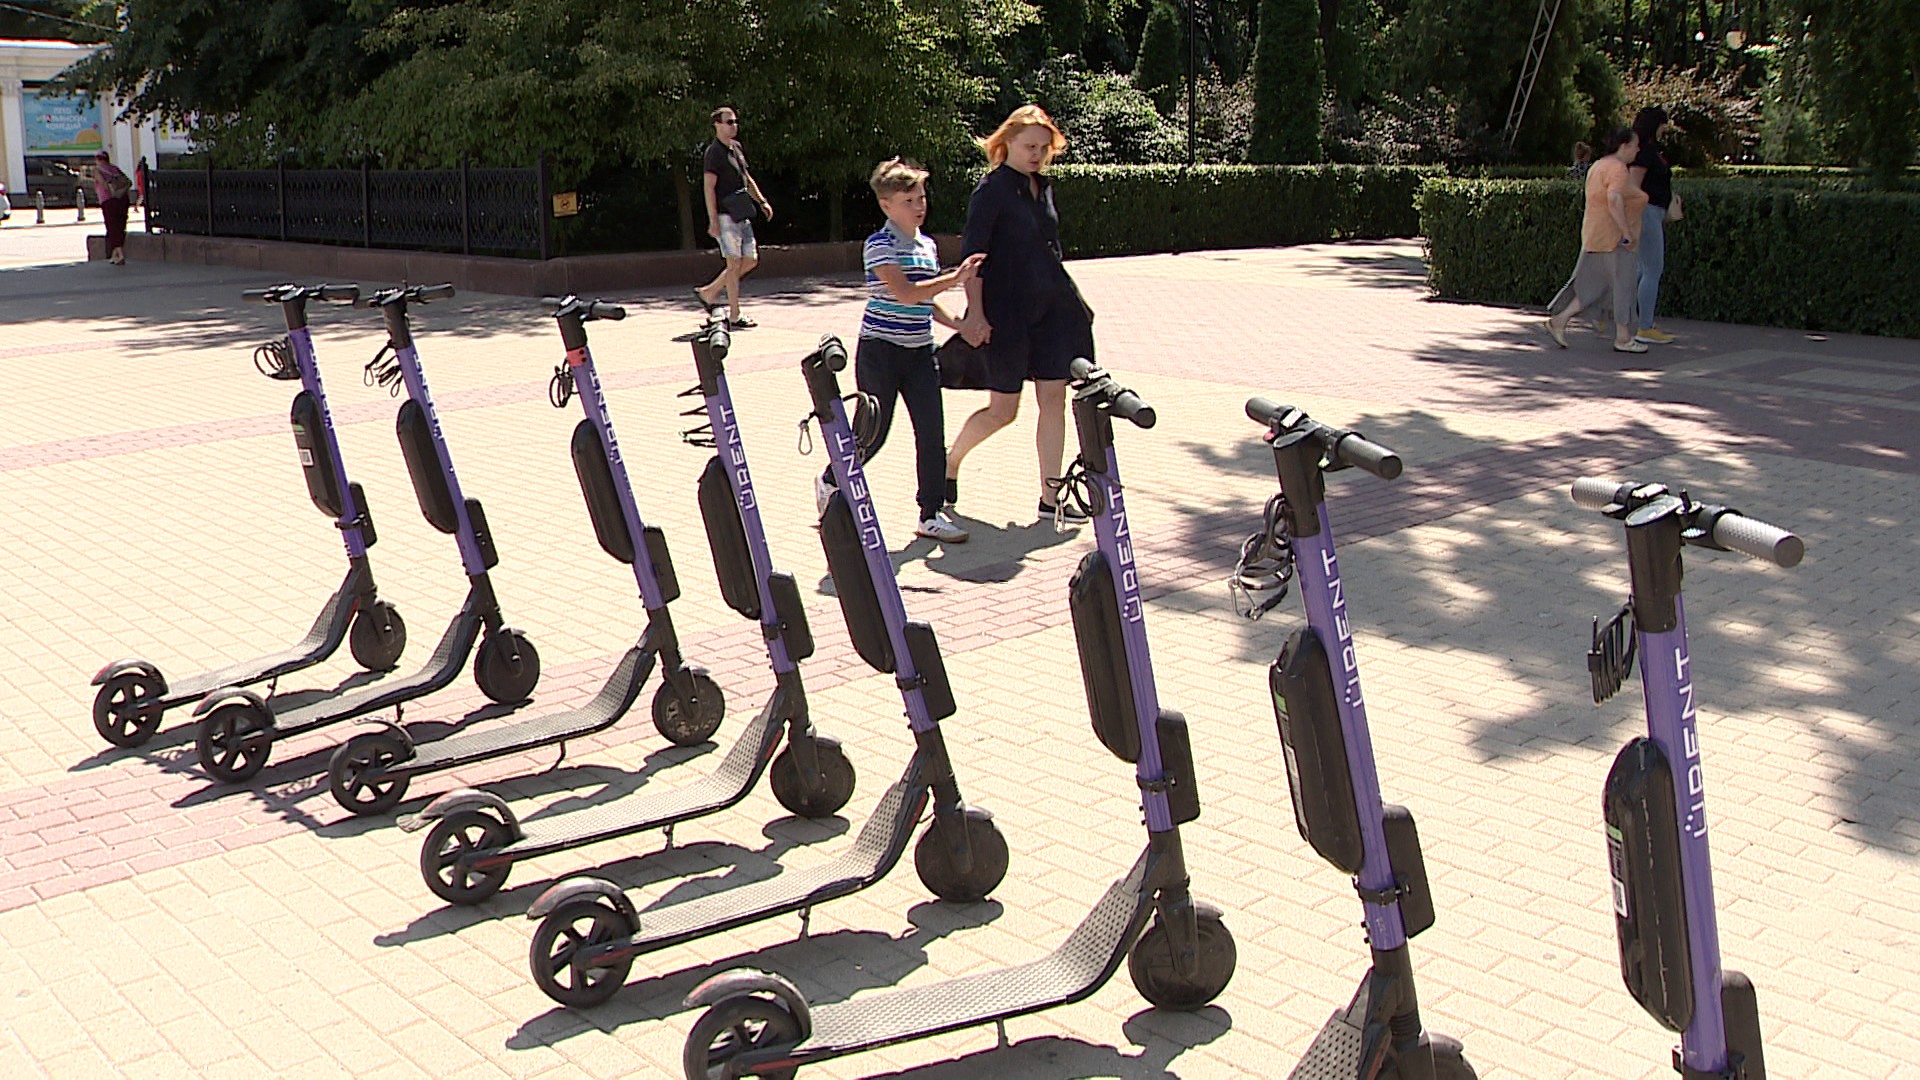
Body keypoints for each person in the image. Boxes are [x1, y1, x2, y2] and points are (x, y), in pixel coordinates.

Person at [815, 159, 986, 543]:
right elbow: (906, 292)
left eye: (922, 197)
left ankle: (931, 513)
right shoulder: (878, 245)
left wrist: (960, 325)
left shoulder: (927, 246)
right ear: (887, 205)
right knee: (874, 432)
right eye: (909, 199)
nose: (919, 206)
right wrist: (955, 279)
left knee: (931, 431)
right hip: (881, 352)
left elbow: (924, 301)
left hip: (920, 352)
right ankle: (831, 480)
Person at [944, 104, 1096, 524]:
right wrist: (974, 314)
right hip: (1006, 311)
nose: (1036, 154)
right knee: (1003, 410)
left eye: (1044, 148)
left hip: (1053, 309)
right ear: (1006, 141)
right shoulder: (989, 191)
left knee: (1055, 398)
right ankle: (950, 461)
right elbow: (971, 259)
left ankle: (1052, 497)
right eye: (1029, 146)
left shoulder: (1043, 187)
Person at [1546, 127, 1649, 354]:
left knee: (1595, 288)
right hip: (1614, 240)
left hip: (1596, 236)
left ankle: (1560, 320)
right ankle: (1623, 337)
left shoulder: (1599, 166)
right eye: (1635, 145)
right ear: (1624, 146)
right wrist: (1627, 232)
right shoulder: (1618, 169)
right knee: (1623, 287)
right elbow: (1614, 199)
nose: (1638, 149)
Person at [695, 106, 772, 329]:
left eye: (735, 122)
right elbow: (708, 188)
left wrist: (762, 201)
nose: (734, 126)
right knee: (734, 262)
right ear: (717, 125)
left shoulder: (736, 148)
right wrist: (713, 220)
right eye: (729, 122)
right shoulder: (714, 153)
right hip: (725, 215)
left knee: (750, 260)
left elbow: (746, 178)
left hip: (742, 213)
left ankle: (709, 292)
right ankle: (735, 315)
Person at [1629, 107, 1679, 345]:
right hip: (1647, 212)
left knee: (1643, 269)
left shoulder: (1649, 150)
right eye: (1662, 124)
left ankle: (1631, 318)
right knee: (1652, 269)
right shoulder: (1645, 152)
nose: (1664, 129)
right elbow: (1633, 185)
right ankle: (1645, 326)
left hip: (1653, 211)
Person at [93, 151, 133, 266]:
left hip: (109, 200)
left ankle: (120, 255)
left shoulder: (97, 170)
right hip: (123, 199)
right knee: (120, 226)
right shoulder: (115, 168)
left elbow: (104, 185)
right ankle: (115, 255)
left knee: (112, 226)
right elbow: (127, 181)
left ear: (98, 159)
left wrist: (110, 190)